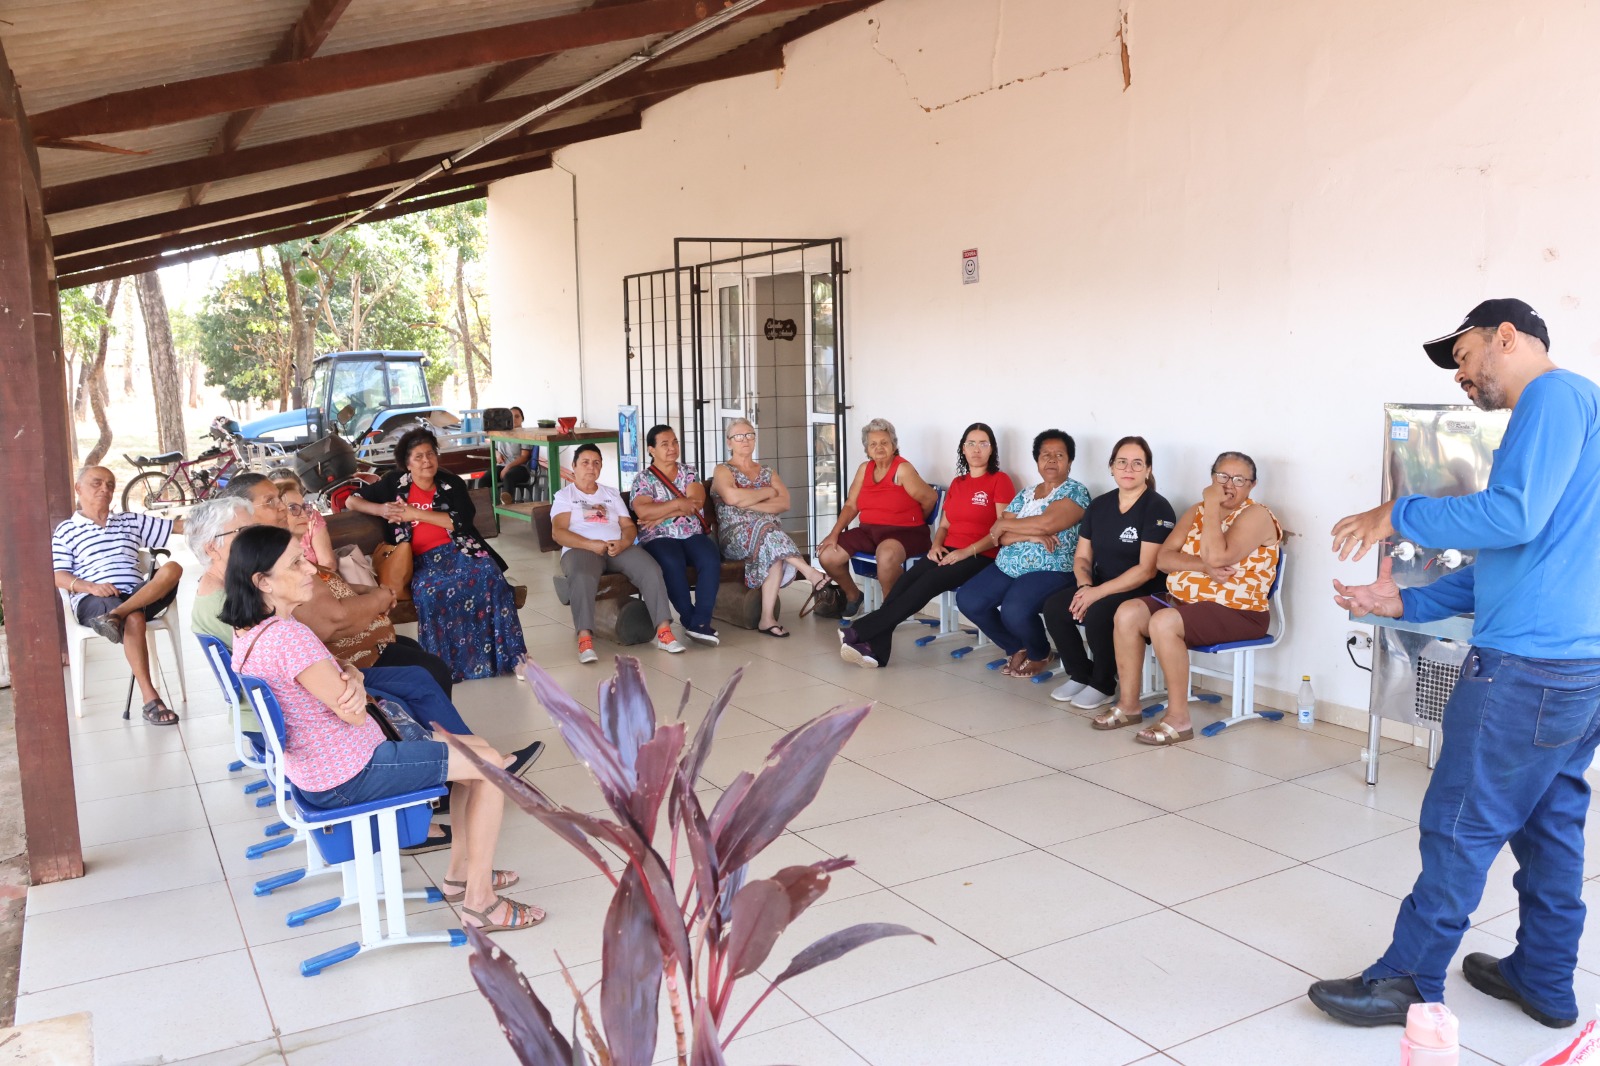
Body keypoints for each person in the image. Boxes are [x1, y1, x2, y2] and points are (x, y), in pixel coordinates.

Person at [1307, 299, 1600, 1030]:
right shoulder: (1579, 411)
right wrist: (1408, 602)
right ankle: (1543, 977)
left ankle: (1407, 978)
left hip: (1528, 668)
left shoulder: (1555, 397)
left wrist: (1396, 513)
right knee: (1550, 824)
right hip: (1575, 664)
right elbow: (1521, 553)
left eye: (1467, 356)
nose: (1464, 377)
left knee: (1460, 820)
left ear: (1507, 337)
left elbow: (1513, 517)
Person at [223, 525, 542, 932]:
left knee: (474, 746)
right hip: (351, 772)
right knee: (489, 765)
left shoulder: (252, 635)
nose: (309, 569)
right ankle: (480, 902)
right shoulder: (290, 638)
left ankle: (462, 873)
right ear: (262, 581)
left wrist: (352, 676)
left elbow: (344, 678)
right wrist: (351, 680)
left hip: (325, 767)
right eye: (296, 563)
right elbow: (354, 713)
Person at [187, 496, 542, 794]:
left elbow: (311, 654)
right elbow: (323, 650)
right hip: (335, 756)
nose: (255, 536)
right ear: (212, 548)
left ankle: (466, 768)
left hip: (318, 723)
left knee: (419, 670)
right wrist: (352, 676)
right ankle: (460, 777)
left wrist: (350, 672)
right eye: (245, 532)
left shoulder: (252, 609)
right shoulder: (261, 618)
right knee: (413, 685)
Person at [1094, 451, 1281, 744]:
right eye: (1222, 477)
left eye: (1239, 480)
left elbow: (1218, 555)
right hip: (1185, 603)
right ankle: (1129, 705)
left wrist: (1211, 505)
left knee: (1165, 623)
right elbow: (1164, 559)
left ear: (1252, 486)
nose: (1229, 485)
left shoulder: (1255, 515)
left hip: (1239, 611)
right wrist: (1202, 566)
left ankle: (1179, 719)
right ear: (1211, 478)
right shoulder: (1197, 511)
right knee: (1127, 612)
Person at [219, 473, 457, 696]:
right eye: (271, 502)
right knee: (430, 672)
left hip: (350, 656)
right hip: (345, 663)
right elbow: (331, 621)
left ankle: (437, 736)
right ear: (243, 513)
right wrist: (379, 599)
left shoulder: (277, 555)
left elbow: (330, 585)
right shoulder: (270, 565)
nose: (282, 509)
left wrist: (374, 592)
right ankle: (437, 737)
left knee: (419, 657)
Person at [347, 428, 528, 682]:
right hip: (420, 561)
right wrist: (380, 509)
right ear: (407, 463)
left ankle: (517, 658)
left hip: (461, 551)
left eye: (430, 454)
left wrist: (415, 513)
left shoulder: (450, 483)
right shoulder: (392, 483)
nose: (426, 461)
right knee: (429, 592)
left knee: (490, 574)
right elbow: (351, 501)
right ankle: (442, 667)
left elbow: (462, 521)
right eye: (419, 457)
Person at [839, 423, 1014, 668]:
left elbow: (1002, 528)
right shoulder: (958, 483)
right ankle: (876, 651)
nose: (976, 450)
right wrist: (936, 546)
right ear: (963, 449)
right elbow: (944, 526)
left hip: (981, 554)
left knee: (929, 583)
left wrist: (966, 551)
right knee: (905, 583)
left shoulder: (999, 480)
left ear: (992, 449)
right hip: (948, 549)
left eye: (983, 443)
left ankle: (860, 631)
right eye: (971, 444)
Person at [1043, 437, 1176, 708]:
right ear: (1111, 467)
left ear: (1148, 470)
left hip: (1144, 590)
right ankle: (1081, 674)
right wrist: (1084, 588)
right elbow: (1081, 556)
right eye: (1122, 462)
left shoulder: (1157, 507)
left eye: (1137, 463)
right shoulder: (1099, 505)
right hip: (1101, 585)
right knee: (1055, 607)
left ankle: (1104, 683)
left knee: (1101, 613)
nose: (1129, 469)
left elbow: (1147, 569)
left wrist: (1096, 594)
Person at [51, 465, 186, 725]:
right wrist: (89, 586)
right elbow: (58, 575)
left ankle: (116, 616)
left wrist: (226, 517)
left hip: (140, 594)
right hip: (95, 599)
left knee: (172, 568)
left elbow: (177, 527)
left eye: (110, 484)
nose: (105, 488)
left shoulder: (129, 520)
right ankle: (151, 700)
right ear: (78, 488)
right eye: (97, 483)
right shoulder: (66, 531)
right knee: (134, 618)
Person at [955, 430, 1091, 678]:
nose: (1051, 460)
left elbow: (1047, 524)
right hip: (1009, 564)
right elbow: (1000, 536)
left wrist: (1008, 525)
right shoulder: (1026, 493)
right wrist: (1029, 535)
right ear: (1037, 461)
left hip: (1051, 568)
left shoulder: (1075, 492)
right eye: (1045, 455)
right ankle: (1015, 645)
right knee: (969, 599)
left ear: (1070, 462)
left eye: (1059, 455)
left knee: (1014, 609)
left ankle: (1040, 652)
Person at [551, 443, 685, 663]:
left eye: (596, 463)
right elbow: (558, 533)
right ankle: (585, 640)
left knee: (650, 569)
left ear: (601, 467)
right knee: (583, 577)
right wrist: (589, 544)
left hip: (616, 547)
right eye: (585, 462)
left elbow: (629, 526)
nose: (591, 467)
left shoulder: (610, 494)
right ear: (573, 466)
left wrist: (624, 543)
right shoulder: (565, 496)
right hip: (581, 549)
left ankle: (664, 633)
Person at [709, 418, 829, 638]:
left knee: (770, 544)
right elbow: (731, 496)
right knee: (767, 528)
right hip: (734, 537)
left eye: (749, 435)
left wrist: (748, 503)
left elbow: (784, 503)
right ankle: (810, 572)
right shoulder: (723, 470)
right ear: (729, 443)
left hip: (767, 535)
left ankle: (767, 619)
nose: (745, 440)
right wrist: (767, 493)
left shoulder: (767, 471)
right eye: (739, 436)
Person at [817, 418, 938, 617]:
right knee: (828, 554)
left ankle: (889, 610)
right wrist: (833, 534)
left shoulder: (903, 469)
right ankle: (854, 595)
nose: (879, 447)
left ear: (894, 445)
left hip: (907, 533)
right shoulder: (865, 469)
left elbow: (930, 498)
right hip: (869, 531)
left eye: (884, 442)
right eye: (873, 444)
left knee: (886, 555)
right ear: (867, 449)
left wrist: (912, 519)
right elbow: (851, 505)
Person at [630, 424, 723, 645]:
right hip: (658, 536)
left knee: (710, 559)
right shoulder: (643, 479)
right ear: (651, 450)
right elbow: (643, 511)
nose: (672, 448)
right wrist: (680, 504)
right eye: (665, 444)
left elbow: (696, 503)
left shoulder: (689, 472)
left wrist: (661, 513)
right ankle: (692, 620)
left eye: (675, 442)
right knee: (672, 562)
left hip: (691, 532)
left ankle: (699, 622)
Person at [268, 469, 334, 569]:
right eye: (280, 489)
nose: (304, 515)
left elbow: (328, 563)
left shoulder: (310, 516)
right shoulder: (264, 536)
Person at [496, 406, 536, 506]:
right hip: (502, 466)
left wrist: (508, 467)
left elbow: (524, 457)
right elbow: (495, 448)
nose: (513, 419)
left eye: (517, 416)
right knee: (485, 480)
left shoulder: (524, 435)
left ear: (522, 418)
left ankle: (507, 505)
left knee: (508, 476)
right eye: (511, 416)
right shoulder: (502, 433)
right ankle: (486, 508)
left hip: (520, 468)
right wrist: (497, 454)